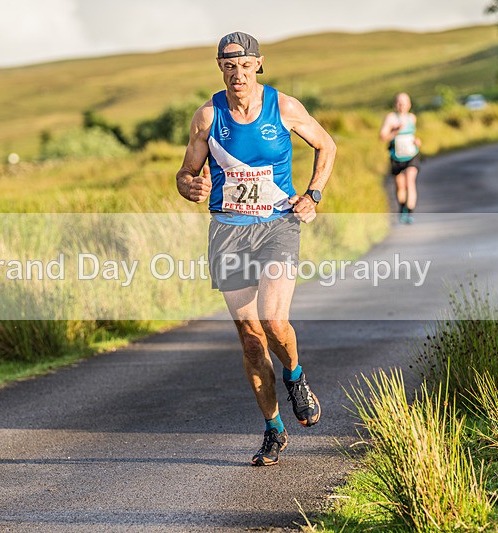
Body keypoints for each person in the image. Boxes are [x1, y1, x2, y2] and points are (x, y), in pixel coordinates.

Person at [176, 32, 336, 466]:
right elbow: (186, 172)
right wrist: (190, 185)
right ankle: (273, 429)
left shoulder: (283, 107)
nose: (237, 73)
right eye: (229, 66)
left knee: (273, 319)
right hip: (228, 230)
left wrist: (313, 193)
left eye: (245, 65)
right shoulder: (208, 116)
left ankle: (296, 376)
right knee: (250, 340)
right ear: (220, 68)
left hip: (277, 226)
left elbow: (327, 144)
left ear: (258, 65)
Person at [379, 92, 421, 224]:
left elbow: (412, 136)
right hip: (396, 157)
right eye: (399, 102)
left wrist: (417, 142)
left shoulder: (412, 118)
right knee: (400, 186)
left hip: (411, 155)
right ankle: (402, 208)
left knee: (410, 182)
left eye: (404, 102)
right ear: (395, 104)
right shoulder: (391, 118)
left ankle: (410, 212)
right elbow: (382, 137)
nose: (402, 105)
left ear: (409, 104)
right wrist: (395, 130)